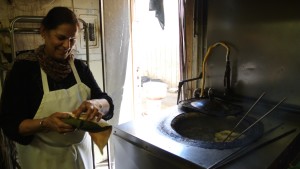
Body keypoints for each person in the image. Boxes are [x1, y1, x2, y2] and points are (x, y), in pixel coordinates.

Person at [0, 6, 114, 169]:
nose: (67, 45)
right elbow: (9, 124)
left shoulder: (79, 68)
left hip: (81, 157)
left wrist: (97, 105)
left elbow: (107, 104)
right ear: (44, 32)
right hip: (42, 160)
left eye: (72, 39)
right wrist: (46, 123)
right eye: (61, 37)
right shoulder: (24, 70)